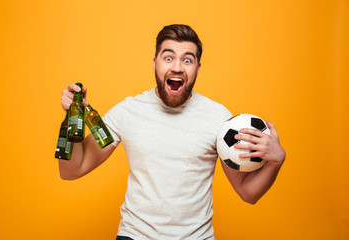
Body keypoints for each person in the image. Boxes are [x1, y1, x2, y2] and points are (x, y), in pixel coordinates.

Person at [59, 24, 286, 240]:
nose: (177, 67)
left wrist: (276, 161)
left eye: (187, 60)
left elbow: (248, 193)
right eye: (168, 58)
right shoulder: (128, 111)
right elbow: (72, 170)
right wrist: (72, 117)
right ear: (155, 63)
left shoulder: (218, 117)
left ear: (197, 68)